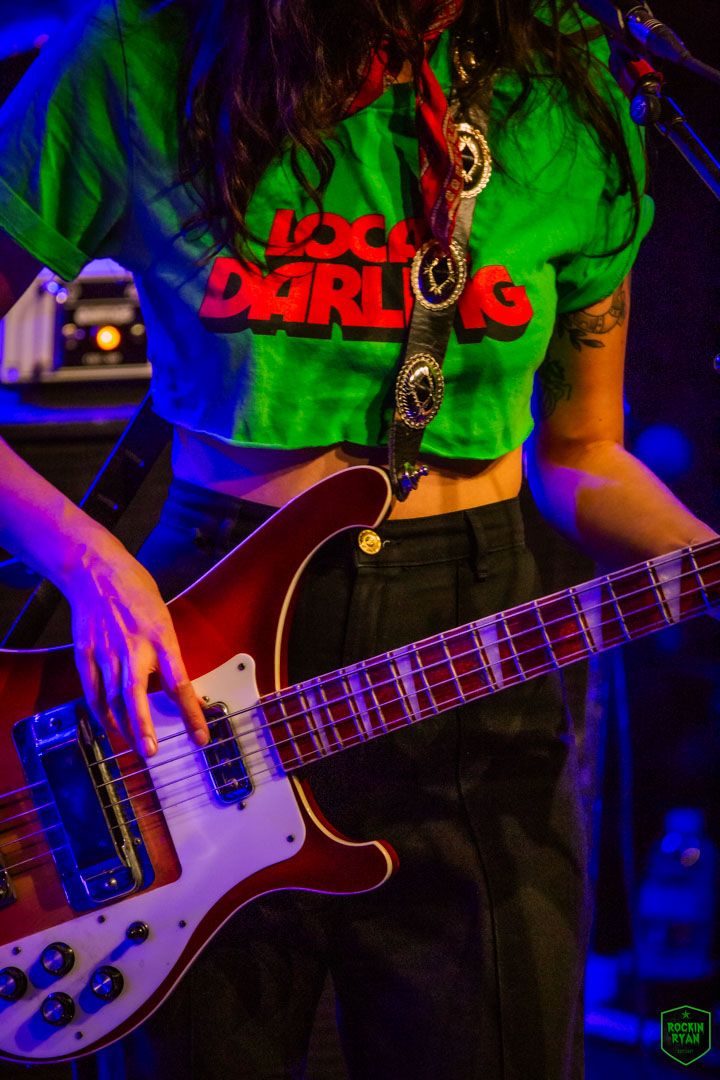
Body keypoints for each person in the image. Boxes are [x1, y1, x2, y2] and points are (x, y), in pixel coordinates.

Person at [0, 1, 715, 1077]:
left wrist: (705, 566)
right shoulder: (144, 53)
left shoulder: (570, 85)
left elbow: (582, 455)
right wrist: (91, 565)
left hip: (475, 667)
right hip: (203, 665)